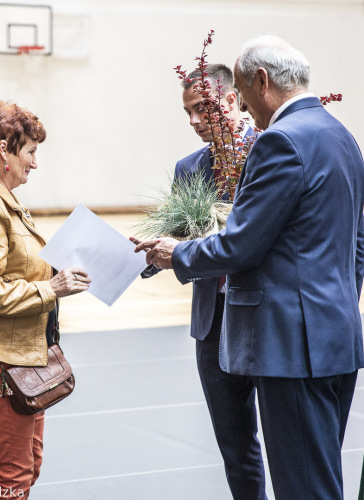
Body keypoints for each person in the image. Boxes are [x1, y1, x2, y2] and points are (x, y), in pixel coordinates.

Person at [135, 36, 364, 499]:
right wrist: (336, 298)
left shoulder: (280, 140)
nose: (238, 104)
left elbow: (241, 245)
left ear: (260, 82)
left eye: (238, 91)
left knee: (303, 486)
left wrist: (175, 254)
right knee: (317, 478)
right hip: (334, 333)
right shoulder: (340, 134)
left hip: (288, 344)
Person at [0, 100, 91, 499]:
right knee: (12, 480)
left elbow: (14, 267)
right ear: (5, 149)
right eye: (31, 151)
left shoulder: (3, 200)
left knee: (27, 471)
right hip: (3, 364)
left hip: (24, 356)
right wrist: (51, 288)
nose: (36, 163)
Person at [133, 64, 267, 500]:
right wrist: (145, 254)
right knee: (235, 446)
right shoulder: (189, 168)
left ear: (232, 100)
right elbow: (179, 243)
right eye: (187, 112)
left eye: (201, 110)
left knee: (288, 442)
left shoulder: (272, 153)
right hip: (213, 322)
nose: (193, 121)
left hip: (268, 317)